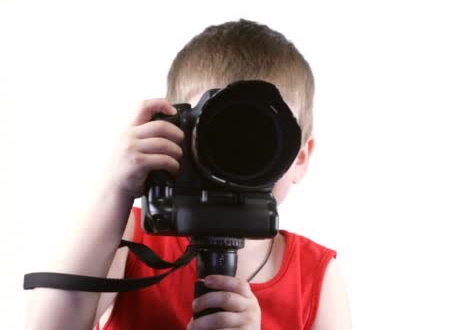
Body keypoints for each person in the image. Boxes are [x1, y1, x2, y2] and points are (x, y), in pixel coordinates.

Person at [26, 19, 352, 330]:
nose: (239, 153)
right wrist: (116, 188)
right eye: (221, 133)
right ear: (174, 134)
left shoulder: (316, 277)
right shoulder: (130, 235)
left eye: (259, 135)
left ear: (300, 158)